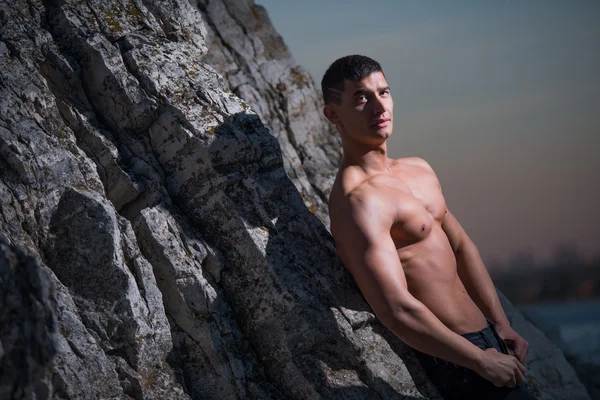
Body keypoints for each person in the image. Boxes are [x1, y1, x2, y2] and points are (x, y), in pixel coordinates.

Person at [323, 55, 539, 400]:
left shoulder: (418, 169)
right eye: (361, 98)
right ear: (333, 114)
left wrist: (500, 322)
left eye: (384, 92)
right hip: (456, 358)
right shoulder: (358, 201)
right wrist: (478, 361)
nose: (379, 106)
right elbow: (394, 308)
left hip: (489, 340)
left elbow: (461, 247)